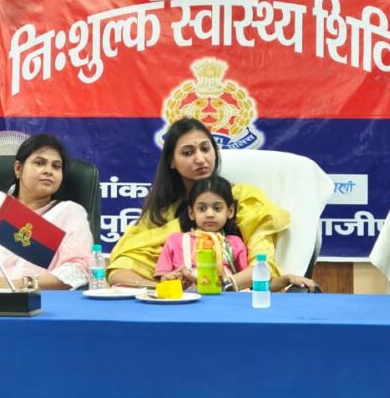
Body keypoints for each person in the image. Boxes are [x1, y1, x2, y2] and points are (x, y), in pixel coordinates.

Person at [108, 117, 317, 291]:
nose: (200, 159)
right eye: (188, 153)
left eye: (205, 149)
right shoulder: (161, 215)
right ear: (171, 161)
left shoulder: (244, 200)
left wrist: (218, 285)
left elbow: (262, 267)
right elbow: (118, 272)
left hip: (233, 302)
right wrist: (164, 288)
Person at [0, 134, 93, 291]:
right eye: (39, 163)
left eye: (56, 166)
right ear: (18, 169)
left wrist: (20, 284)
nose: (48, 171)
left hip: (34, 299)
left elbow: (77, 269)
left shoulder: (70, 213)